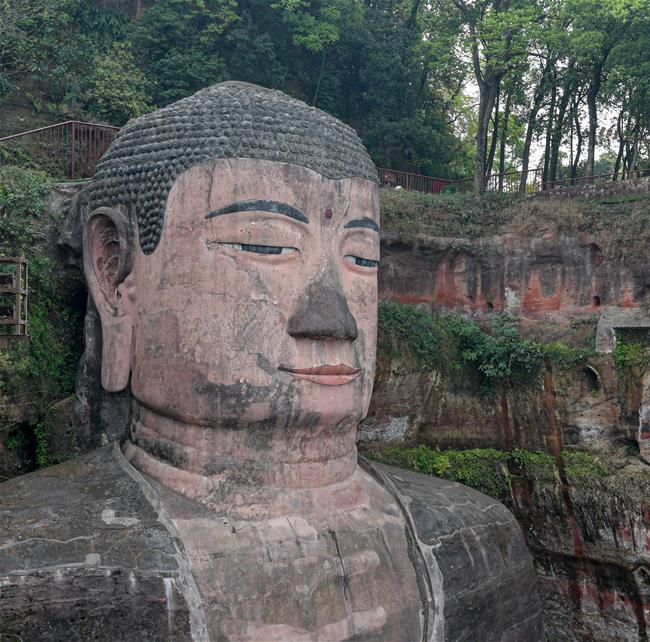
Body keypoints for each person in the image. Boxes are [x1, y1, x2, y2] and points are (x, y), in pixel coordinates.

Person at [0, 82, 545, 642]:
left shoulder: (475, 540)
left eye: (362, 258)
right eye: (265, 245)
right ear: (114, 274)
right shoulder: (35, 574)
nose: (335, 319)